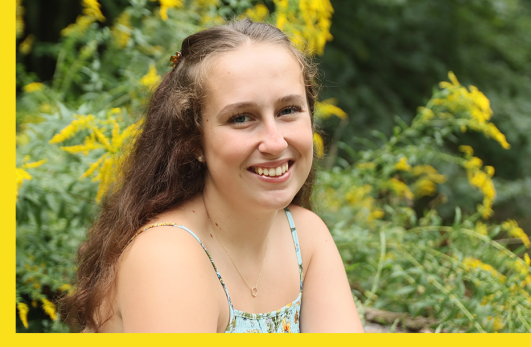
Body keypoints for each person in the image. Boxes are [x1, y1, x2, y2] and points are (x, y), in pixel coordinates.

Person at [61, 18, 364, 333]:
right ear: (195, 141)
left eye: (288, 110)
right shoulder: (168, 258)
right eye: (241, 118)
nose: (275, 142)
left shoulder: (303, 235)